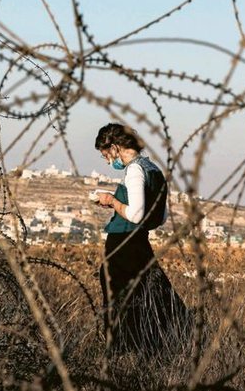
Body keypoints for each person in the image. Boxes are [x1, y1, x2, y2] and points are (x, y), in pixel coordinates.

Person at [93, 122, 190, 355]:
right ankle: (167, 341)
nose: (108, 162)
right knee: (150, 292)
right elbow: (160, 216)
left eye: (106, 155)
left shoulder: (135, 170)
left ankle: (122, 349)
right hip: (139, 241)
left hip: (124, 243)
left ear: (115, 147)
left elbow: (135, 214)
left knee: (120, 296)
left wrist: (110, 201)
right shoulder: (153, 169)